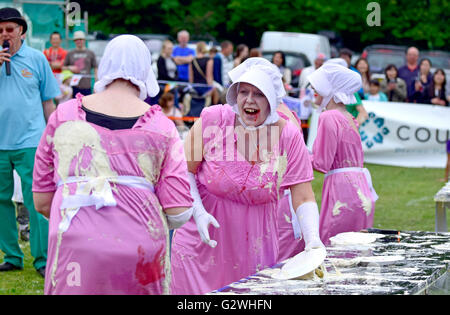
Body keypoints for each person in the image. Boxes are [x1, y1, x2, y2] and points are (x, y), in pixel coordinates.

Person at [32, 35, 193, 294]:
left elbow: (41, 201)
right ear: (145, 70)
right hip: (139, 251)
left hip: (74, 247)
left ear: (104, 65)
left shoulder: (63, 115)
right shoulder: (162, 128)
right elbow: (179, 211)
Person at [171, 57, 323, 294]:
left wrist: (313, 239)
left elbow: (303, 196)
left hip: (255, 246)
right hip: (203, 242)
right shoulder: (213, 119)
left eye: (259, 94)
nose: (250, 100)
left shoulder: (288, 136)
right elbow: (183, 169)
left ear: (272, 100)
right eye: (244, 92)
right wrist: (198, 212)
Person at [0, 7, 60, 277]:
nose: (4, 35)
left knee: (36, 203)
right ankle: (11, 256)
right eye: (0, 30)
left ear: (21, 31)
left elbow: (48, 102)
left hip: (31, 142)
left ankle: (43, 259)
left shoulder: (37, 59)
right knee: (1, 202)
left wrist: (54, 138)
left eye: (9, 30)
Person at [307, 62, 378, 245]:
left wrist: (296, 154)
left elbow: (321, 163)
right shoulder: (348, 117)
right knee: (355, 252)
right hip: (361, 190)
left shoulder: (329, 116)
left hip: (342, 192)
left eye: (317, 86)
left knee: (334, 249)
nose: (313, 89)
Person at [63, 30, 98, 96]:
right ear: (74, 41)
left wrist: (96, 83)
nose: (79, 41)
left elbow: (95, 68)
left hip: (86, 87)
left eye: (80, 39)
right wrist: (70, 68)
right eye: (76, 40)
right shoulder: (70, 53)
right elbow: (63, 68)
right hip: (73, 87)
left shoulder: (90, 53)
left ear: (84, 40)